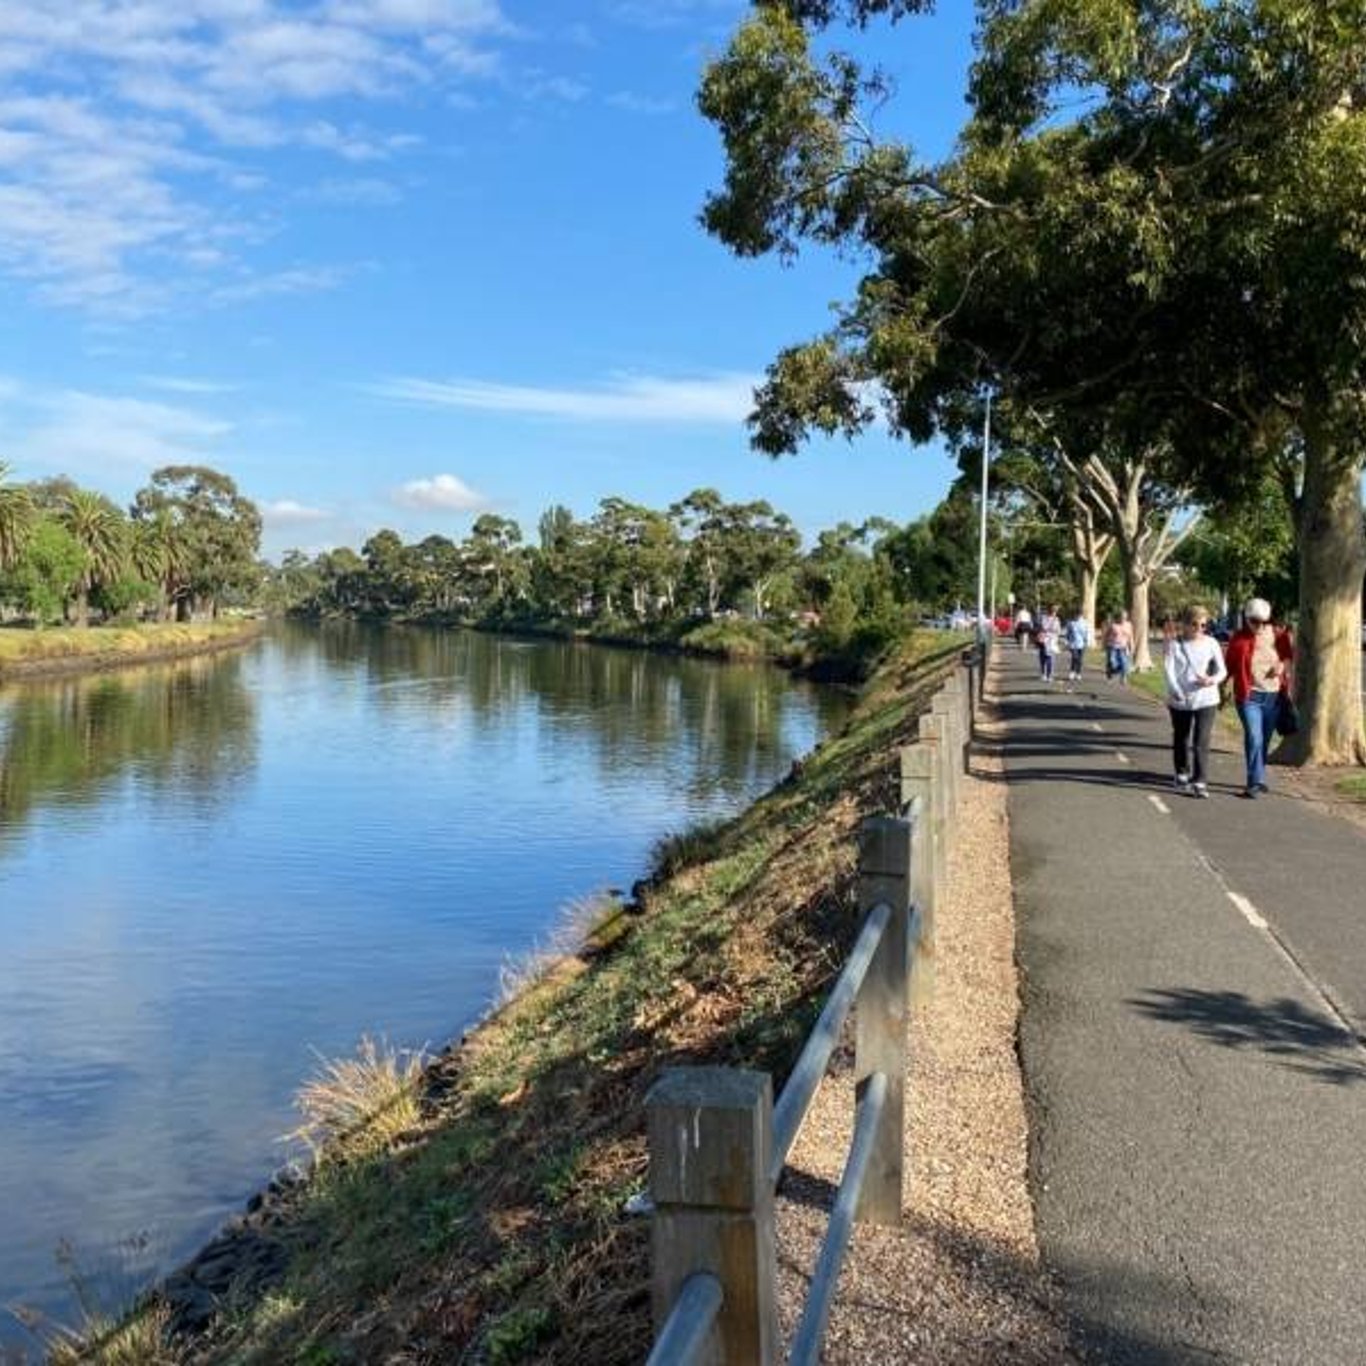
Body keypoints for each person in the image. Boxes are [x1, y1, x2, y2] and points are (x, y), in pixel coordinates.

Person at [1223, 597, 1295, 799]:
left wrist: (1281, 666)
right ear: (1246, 618)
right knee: (1254, 737)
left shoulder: (1278, 635)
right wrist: (1221, 685)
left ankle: (1258, 777)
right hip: (1249, 697)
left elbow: (1288, 657)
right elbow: (1228, 666)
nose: (1259, 626)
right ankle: (1254, 782)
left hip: (1273, 698)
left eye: (1264, 621)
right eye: (1254, 621)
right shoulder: (1239, 639)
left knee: (1264, 741)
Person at [1163, 604, 1227, 798]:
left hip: (1207, 699)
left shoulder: (1211, 643)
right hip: (1181, 699)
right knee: (1181, 737)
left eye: (1203, 625)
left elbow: (1222, 671)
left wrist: (1211, 680)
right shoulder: (1175, 645)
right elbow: (1169, 671)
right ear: (1185, 624)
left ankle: (1200, 781)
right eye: (1195, 624)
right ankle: (1182, 772)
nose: (1199, 628)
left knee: (1201, 740)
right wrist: (1176, 690)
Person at [1063, 608, 1092, 687]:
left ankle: (1078, 673)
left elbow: (1087, 633)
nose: (1077, 616)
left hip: (1081, 644)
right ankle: (1072, 671)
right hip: (1073, 644)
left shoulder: (1084, 623)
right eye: (1076, 614)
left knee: (1080, 659)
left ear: (1081, 615)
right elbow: (1067, 633)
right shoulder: (1071, 623)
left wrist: (1087, 641)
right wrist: (1066, 641)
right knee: (1074, 657)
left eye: (1079, 614)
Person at [1104, 610, 1134, 685]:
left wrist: (1132, 646)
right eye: (1122, 617)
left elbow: (1130, 636)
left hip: (1123, 648)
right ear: (1119, 617)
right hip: (1113, 647)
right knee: (1112, 663)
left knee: (1124, 663)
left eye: (1125, 617)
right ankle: (1109, 674)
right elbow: (1106, 635)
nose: (1123, 619)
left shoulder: (1129, 625)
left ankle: (1123, 678)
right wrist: (1105, 644)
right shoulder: (1113, 625)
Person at [1036, 604, 1062, 683]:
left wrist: (1054, 632)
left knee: (1050, 658)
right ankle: (1044, 673)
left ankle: (1049, 675)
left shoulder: (1057, 619)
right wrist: (1051, 629)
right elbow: (1043, 627)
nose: (1054, 612)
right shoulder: (1044, 618)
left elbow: (1058, 630)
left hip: (1052, 641)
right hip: (1043, 640)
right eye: (1053, 610)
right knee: (1043, 657)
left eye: (1055, 611)